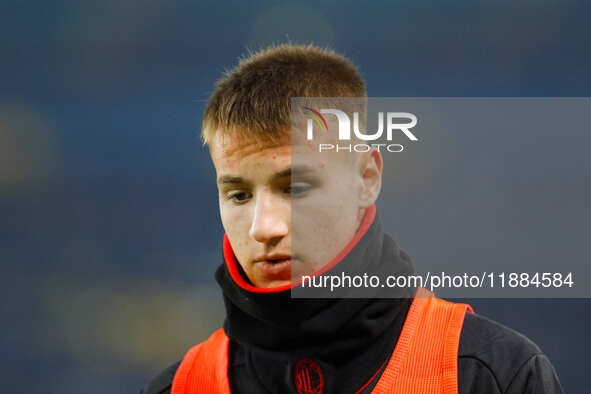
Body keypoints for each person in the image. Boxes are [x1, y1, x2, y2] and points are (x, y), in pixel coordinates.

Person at [141, 44, 563, 394]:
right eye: (238, 194)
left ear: (367, 177)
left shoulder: (494, 374)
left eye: (295, 188)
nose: (265, 227)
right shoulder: (178, 388)